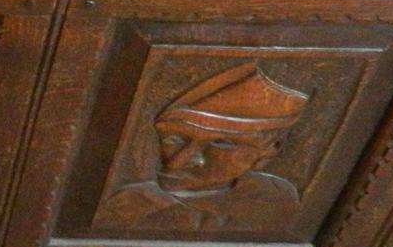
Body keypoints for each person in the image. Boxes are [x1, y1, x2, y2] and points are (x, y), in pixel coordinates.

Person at [100, 62, 309, 233]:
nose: (178, 161)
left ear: (272, 148)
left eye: (221, 143)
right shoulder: (131, 205)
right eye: (174, 139)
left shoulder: (275, 198)